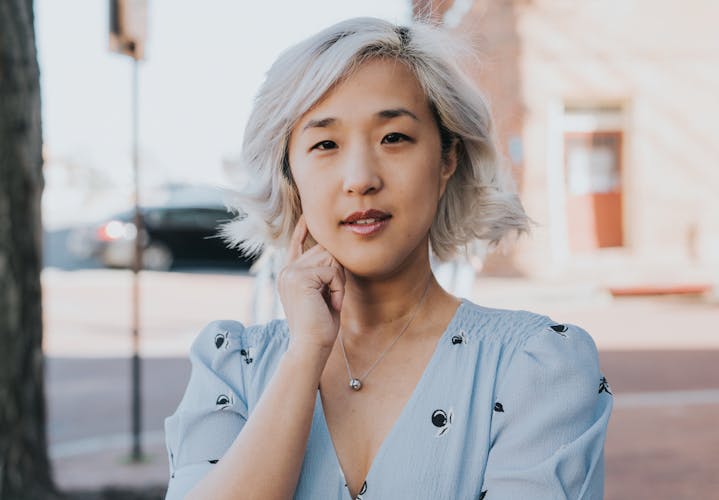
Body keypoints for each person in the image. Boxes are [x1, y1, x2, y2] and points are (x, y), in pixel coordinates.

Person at [164, 17, 613, 500]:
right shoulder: (232, 365)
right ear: (290, 176)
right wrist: (305, 352)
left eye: (393, 137)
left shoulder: (537, 364)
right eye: (325, 144)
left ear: (446, 159)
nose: (360, 178)